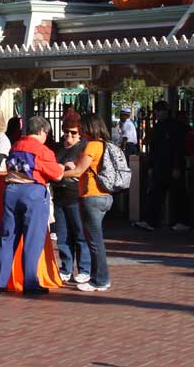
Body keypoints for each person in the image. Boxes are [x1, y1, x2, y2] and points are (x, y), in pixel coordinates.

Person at [0, 116, 64, 295]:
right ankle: (30, 282)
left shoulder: (15, 145)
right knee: (32, 239)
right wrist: (62, 166)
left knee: (7, 237)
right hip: (33, 193)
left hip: (11, 191)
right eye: (46, 133)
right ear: (41, 131)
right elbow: (57, 175)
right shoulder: (42, 150)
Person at [62, 113, 114, 292]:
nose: (81, 131)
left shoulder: (92, 145)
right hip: (104, 195)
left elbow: (78, 171)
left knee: (94, 241)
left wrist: (57, 173)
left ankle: (100, 280)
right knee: (95, 240)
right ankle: (98, 277)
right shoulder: (104, 144)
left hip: (91, 195)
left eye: (83, 127)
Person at [134, 101, 189, 233]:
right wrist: (152, 165)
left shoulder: (175, 127)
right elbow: (154, 148)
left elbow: (178, 148)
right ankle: (151, 221)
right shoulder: (159, 127)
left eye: (159, 111)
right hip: (160, 165)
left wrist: (176, 166)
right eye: (156, 111)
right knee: (155, 194)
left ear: (165, 111)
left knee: (176, 195)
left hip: (171, 165)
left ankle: (180, 221)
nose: (157, 114)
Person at [50, 114, 90, 284]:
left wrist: (69, 169)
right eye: (66, 132)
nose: (69, 136)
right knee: (63, 235)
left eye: (73, 133)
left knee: (80, 235)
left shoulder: (84, 149)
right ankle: (66, 267)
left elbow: (84, 171)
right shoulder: (58, 148)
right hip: (60, 196)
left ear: (80, 133)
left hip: (76, 197)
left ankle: (84, 269)